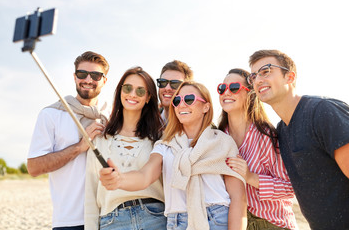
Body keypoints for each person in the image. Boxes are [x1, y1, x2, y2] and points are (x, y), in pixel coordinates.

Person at [99, 81, 247, 230]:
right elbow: (145, 176)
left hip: (218, 219)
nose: (182, 105)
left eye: (189, 99)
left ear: (206, 107)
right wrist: (120, 179)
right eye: (177, 101)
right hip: (178, 222)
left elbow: (238, 198)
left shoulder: (223, 142)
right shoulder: (165, 145)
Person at [248, 49, 349, 230]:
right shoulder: (281, 131)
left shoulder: (322, 112)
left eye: (266, 71)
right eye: (253, 76)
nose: (258, 80)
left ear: (290, 77)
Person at [27, 51, 110, 230]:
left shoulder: (111, 118)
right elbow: (34, 167)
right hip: (70, 221)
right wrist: (80, 147)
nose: (88, 79)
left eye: (95, 75)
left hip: (109, 217)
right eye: (82, 74)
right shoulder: (52, 114)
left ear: (104, 80)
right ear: (74, 77)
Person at [84, 67, 166, 230]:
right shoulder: (101, 139)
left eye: (140, 91)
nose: (133, 94)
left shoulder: (159, 138)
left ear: (149, 97)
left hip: (155, 218)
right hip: (112, 221)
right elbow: (90, 193)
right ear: (120, 91)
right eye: (127, 88)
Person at [219, 68, 297, 230]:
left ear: (250, 94)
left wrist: (250, 177)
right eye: (222, 88)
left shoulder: (266, 135)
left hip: (272, 222)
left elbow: (290, 188)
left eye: (233, 88)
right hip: (233, 222)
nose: (226, 93)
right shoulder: (218, 137)